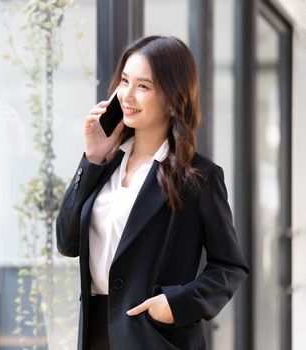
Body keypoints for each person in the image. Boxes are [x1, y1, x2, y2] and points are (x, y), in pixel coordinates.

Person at [55, 35, 248, 350]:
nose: (127, 95)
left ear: (172, 99)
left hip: (155, 337)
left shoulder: (198, 177)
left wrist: (176, 305)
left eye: (143, 86)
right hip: (95, 335)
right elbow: (67, 242)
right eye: (125, 81)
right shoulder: (104, 164)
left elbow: (230, 267)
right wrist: (91, 159)